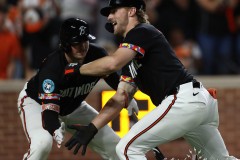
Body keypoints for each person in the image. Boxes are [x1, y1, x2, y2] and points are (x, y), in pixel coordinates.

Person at [64, 0, 238, 159]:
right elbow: (120, 98)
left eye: (114, 10)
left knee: (126, 149)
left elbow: (112, 64)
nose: (109, 16)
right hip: (196, 102)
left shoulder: (141, 31)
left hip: (184, 100)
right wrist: (91, 128)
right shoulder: (131, 51)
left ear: (132, 11)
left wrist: (76, 69)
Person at [17, 17, 139, 160]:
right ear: (66, 44)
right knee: (42, 143)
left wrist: (127, 97)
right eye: (77, 43)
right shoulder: (52, 68)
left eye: (85, 40)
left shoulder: (96, 54)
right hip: (38, 104)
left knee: (115, 147)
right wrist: (54, 127)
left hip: (73, 107)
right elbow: (49, 113)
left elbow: (113, 79)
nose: (83, 47)